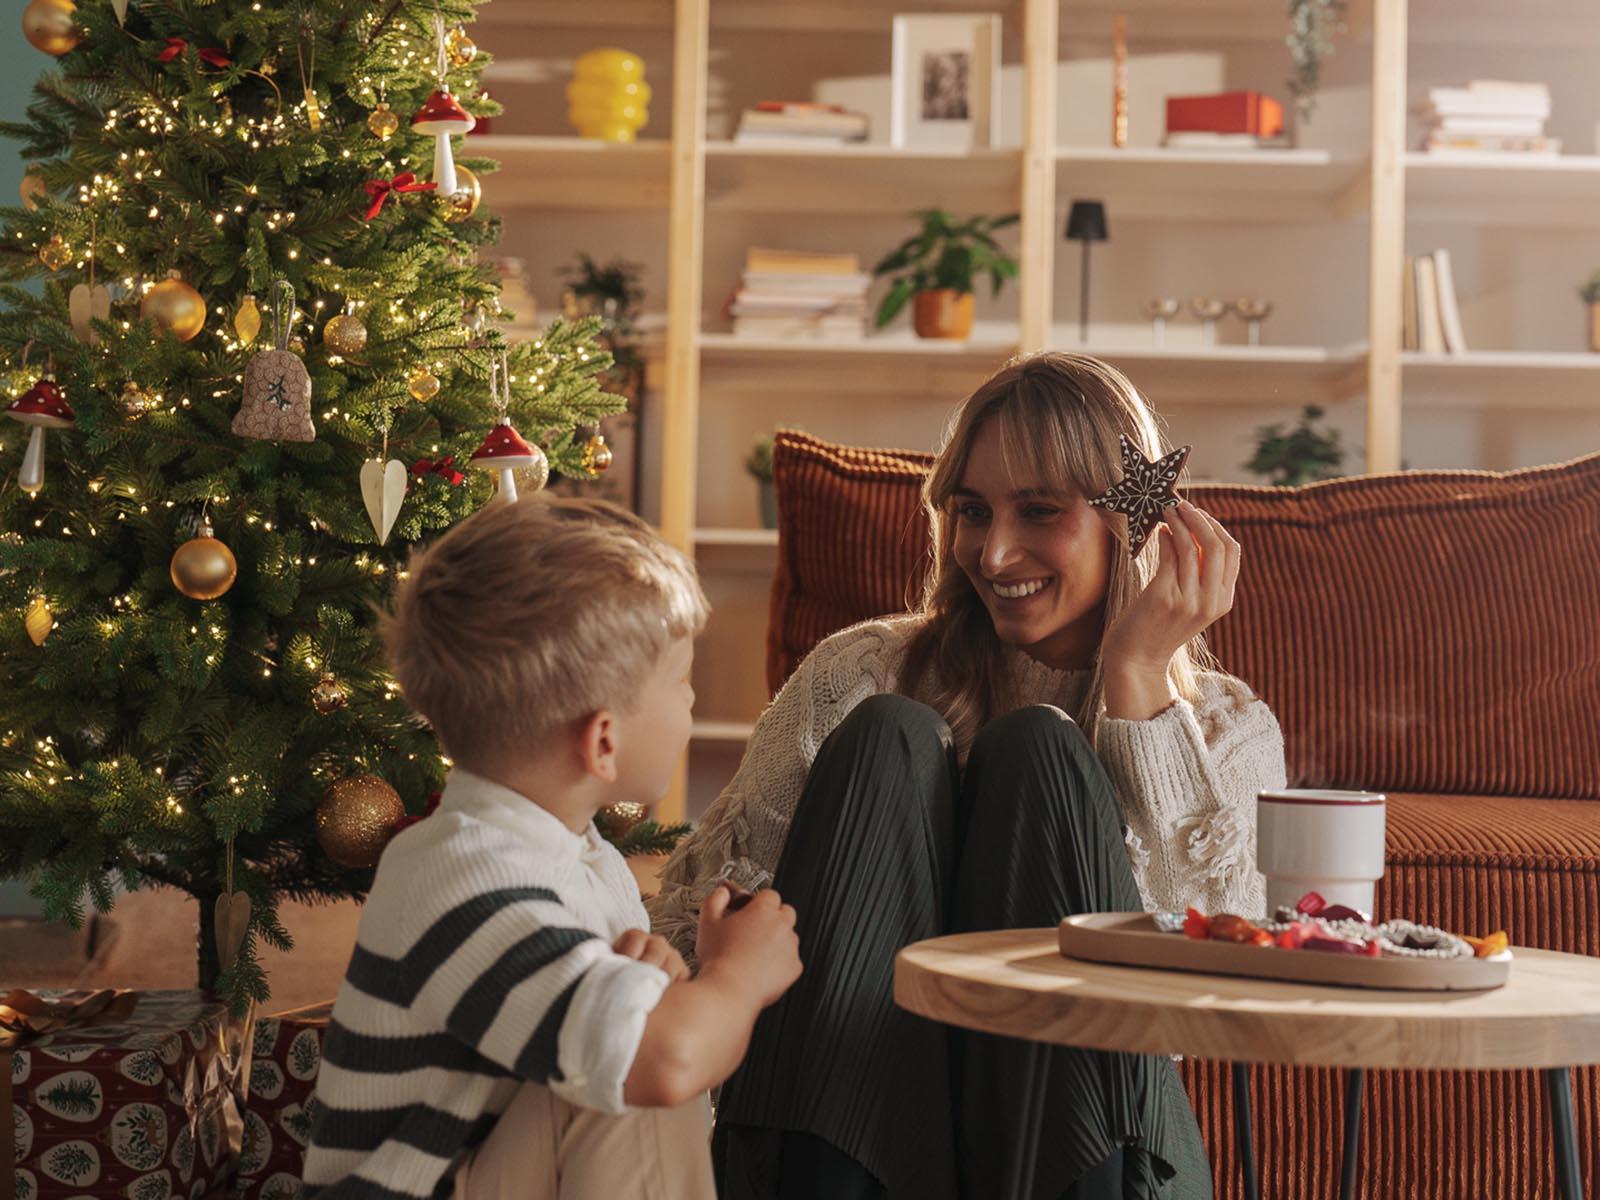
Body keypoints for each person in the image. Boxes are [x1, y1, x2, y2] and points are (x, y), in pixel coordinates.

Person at [648, 352, 1289, 1200]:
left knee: (1040, 754)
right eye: (973, 511)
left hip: (1085, 1156)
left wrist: (1136, 682)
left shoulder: (1225, 727)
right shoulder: (858, 673)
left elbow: (1211, 993)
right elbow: (695, 926)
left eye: (1039, 511)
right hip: (846, 1140)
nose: (994, 552)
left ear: (1131, 522)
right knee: (890, 738)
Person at [304, 496, 803, 1200]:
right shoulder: (461, 875)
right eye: (681, 682)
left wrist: (642, 985)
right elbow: (664, 1062)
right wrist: (740, 976)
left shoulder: (572, 853)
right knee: (637, 1076)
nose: (691, 703)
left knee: (635, 1040)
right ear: (603, 741)